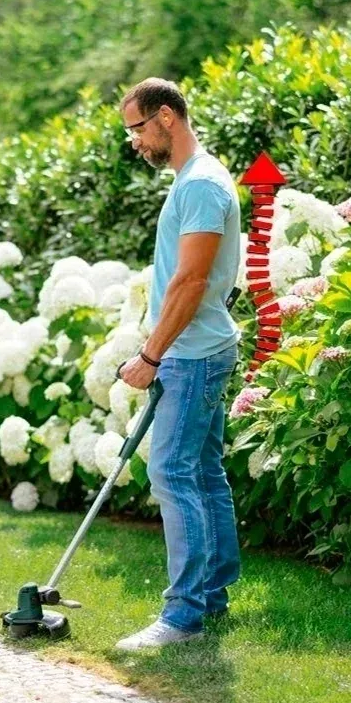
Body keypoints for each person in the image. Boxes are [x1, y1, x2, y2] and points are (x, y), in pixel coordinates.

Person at [115, 78, 241, 651]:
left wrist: (151, 355)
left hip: (191, 356)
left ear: (166, 117)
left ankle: (183, 615)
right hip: (195, 350)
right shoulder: (195, 180)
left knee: (171, 472)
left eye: (137, 129)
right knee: (203, 473)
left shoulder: (202, 185)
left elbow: (191, 281)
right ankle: (210, 597)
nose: (135, 142)